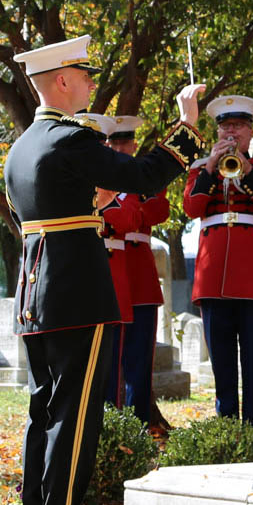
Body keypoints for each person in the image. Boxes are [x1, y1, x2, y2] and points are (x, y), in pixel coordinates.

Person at [3, 34, 204, 505]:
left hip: (37, 294)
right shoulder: (70, 140)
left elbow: (58, 202)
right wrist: (187, 127)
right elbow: (141, 176)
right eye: (85, 75)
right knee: (74, 416)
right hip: (76, 291)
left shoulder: (23, 146)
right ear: (62, 81)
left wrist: (95, 198)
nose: (93, 83)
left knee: (44, 412)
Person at [183, 95, 253, 430]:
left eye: (238, 126)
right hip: (213, 278)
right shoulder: (201, 169)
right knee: (222, 365)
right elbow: (192, 209)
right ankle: (227, 433)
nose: (231, 132)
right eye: (226, 126)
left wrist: (249, 169)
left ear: (250, 131)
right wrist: (211, 168)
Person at [105, 115, 171, 430]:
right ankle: (113, 426)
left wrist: (128, 205)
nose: (119, 147)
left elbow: (159, 210)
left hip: (141, 279)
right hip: (111, 275)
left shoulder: (144, 176)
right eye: (114, 142)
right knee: (109, 361)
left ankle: (141, 426)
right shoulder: (100, 178)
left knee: (139, 361)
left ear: (133, 144)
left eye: (124, 142)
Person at [92, 116, 140, 410]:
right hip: (78, 276)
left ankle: (113, 428)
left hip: (111, 277)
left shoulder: (124, 184)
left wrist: (103, 200)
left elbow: (129, 219)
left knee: (112, 365)